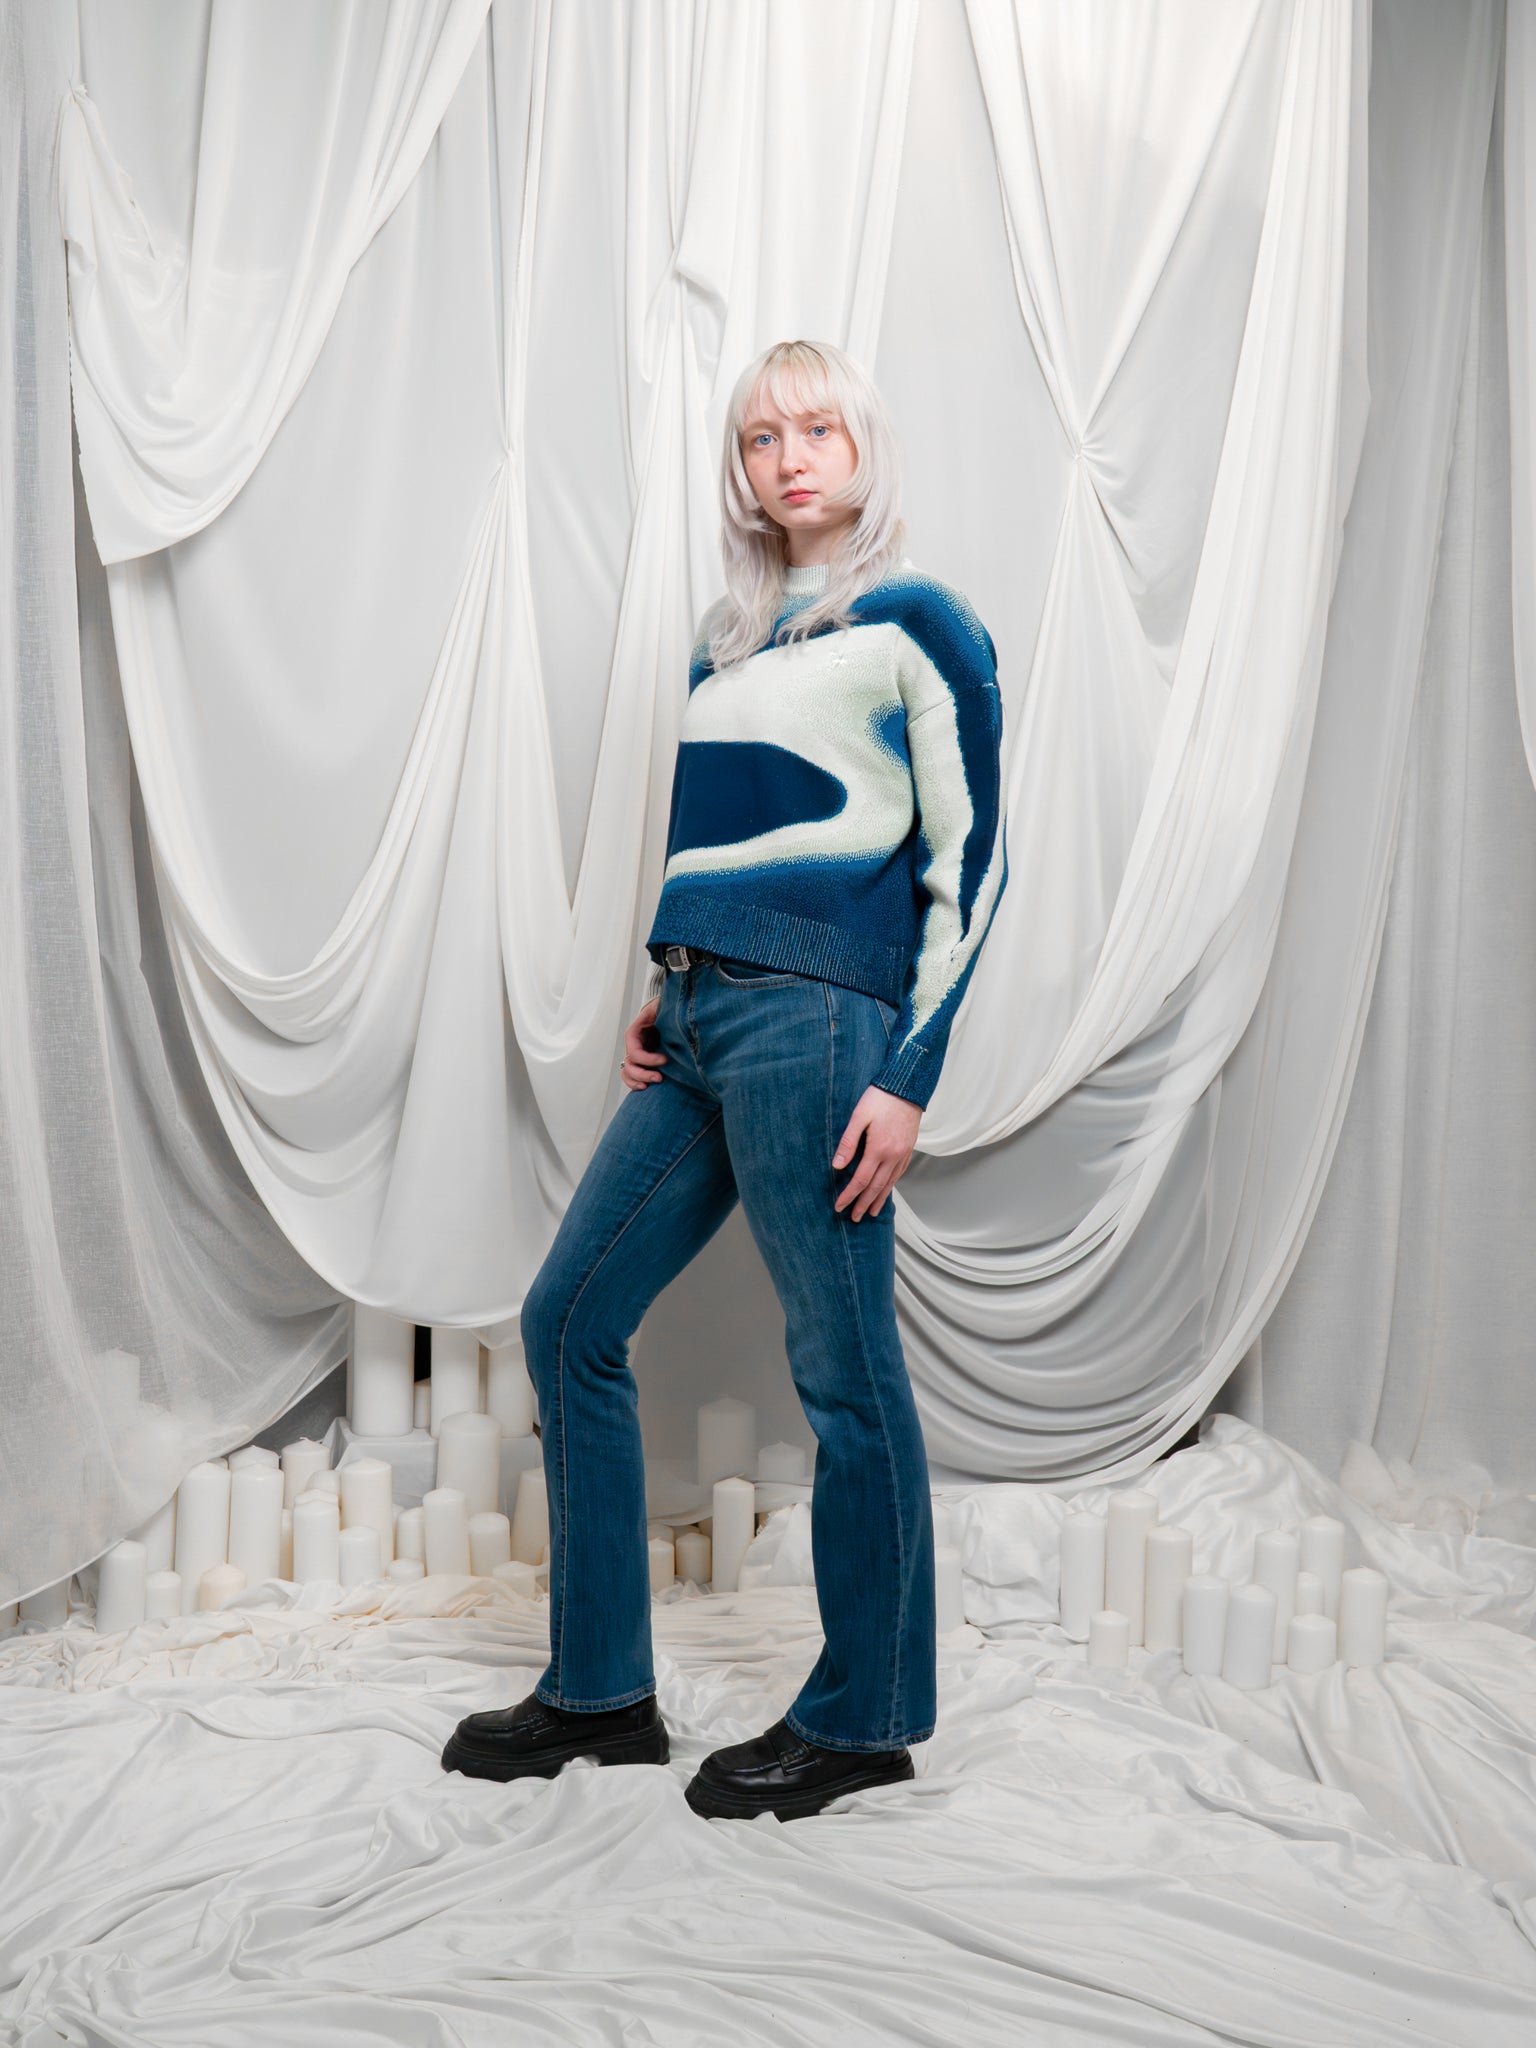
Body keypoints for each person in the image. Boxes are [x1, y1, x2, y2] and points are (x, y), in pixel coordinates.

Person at [441, 338, 1008, 1821]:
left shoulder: (923, 624)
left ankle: (866, 1715)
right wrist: (660, 981)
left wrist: (910, 1073)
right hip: (697, 1018)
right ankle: (601, 1690)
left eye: (818, 427)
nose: (789, 457)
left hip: (823, 1028)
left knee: (841, 1366)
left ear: (863, 444)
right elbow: (715, 835)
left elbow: (975, 865)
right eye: (761, 438)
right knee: (570, 1316)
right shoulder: (727, 639)